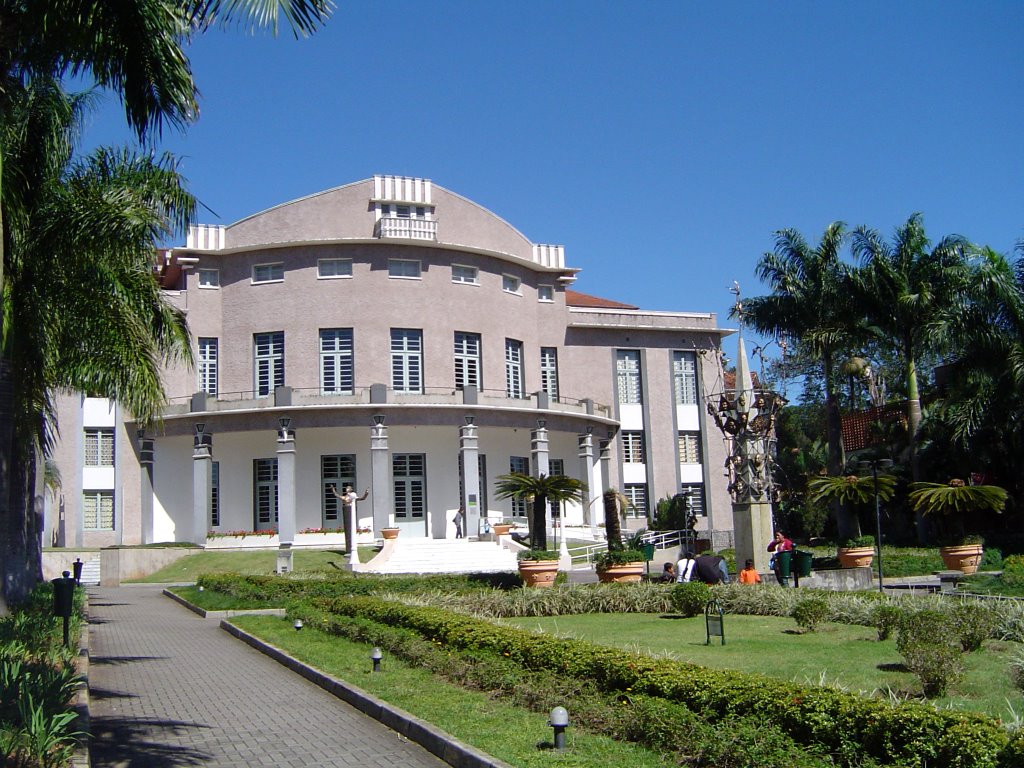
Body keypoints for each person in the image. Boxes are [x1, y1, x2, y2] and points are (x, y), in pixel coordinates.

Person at [328, 484, 369, 557]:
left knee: (351, 530)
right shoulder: (345, 497)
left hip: (351, 512)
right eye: (346, 488)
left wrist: (366, 493)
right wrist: (333, 489)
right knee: (347, 531)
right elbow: (336, 495)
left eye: (348, 488)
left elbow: (362, 498)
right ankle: (349, 549)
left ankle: (352, 550)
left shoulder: (353, 497)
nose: (347, 489)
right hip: (346, 511)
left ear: (350, 489)